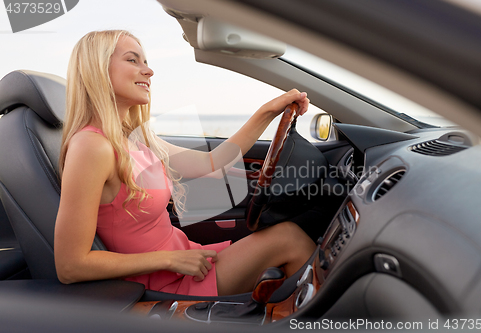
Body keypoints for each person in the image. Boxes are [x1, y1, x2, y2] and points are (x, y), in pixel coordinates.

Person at [54, 30, 316, 297]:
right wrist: (169, 260)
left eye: (144, 61)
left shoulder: (132, 138)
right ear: (97, 69)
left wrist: (268, 111)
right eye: (133, 61)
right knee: (289, 239)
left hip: (187, 262)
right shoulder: (91, 147)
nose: (149, 71)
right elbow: (70, 265)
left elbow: (212, 161)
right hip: (166, 285)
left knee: (289, 236)